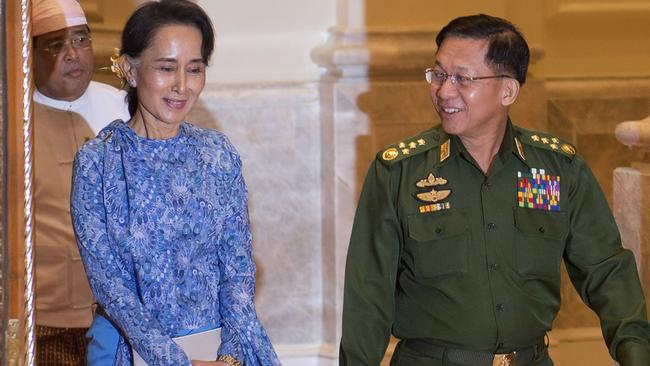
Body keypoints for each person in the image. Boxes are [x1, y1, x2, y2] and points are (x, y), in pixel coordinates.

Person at [339, 14, 650, 366]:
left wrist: (636, 356)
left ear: (508, 90)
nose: (444, 91)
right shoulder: (398, 172)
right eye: (438, 74)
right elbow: (368, 298)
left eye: (462, 78)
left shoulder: (556, 170)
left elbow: (607, 272)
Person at [70, 1, 281, 365]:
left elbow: (237, 270)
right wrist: (175, 361)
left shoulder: (217, 153)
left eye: (194, 69)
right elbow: (111, 287)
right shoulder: (98, 163)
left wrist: (230, 355)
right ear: (129, 69)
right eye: (167, 68)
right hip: (133, 352)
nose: (182, 86)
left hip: (224, 351)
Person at [32, 0, 130, 364]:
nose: (73, 54)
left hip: (116, 317)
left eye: (82, 40)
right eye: (56, 44)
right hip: (42, 322)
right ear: (29, 54)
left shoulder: (123, 109)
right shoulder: (12, 117)